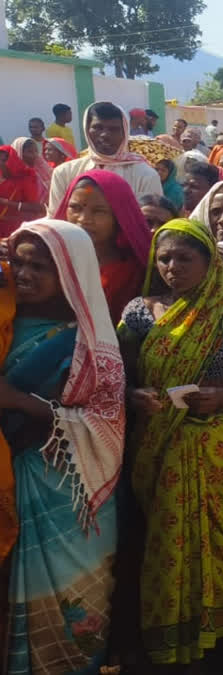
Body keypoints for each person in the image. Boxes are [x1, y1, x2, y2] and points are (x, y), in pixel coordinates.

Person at [118, 218, 223, 666]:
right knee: (164, 545)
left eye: (185, 258)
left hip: (216, 445)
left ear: (208, 262)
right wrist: (132, 396)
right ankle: (169, 647)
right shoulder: (138, 312)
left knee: (220, 544)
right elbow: (118, 380)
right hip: (157, 445)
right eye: (164, 258)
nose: (173, 267)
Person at [2, 218, 126, 675]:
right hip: (10, 482)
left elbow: (107, 421)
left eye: (40, 266)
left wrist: (22, 403)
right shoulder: (5, 322)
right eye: (19, 262)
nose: (26, 274)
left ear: (71, 272)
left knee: (75, 608)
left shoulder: (89, 337)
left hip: (71, 491)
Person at [54, 169, 152, 323]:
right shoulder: (52, 256)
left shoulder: (134, 272)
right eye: (75, 208)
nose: (83, 219)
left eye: (98, 211)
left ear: (119, 216)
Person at [48, 102, 163, 213]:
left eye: (114, 129)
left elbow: (150, 222)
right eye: (98, 127)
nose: (105, 135)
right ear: (87, 130)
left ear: (125, 133)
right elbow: (57, 221)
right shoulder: (64, 173)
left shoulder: (146, 175)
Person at [0, 144, 44, 235]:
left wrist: (6, 202)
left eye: (4, 160)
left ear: (12, 160)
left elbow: (36, 207)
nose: (1, 163)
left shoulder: (25, 178)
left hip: (16, 229)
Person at [13, 136, 52, 204]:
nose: (34, 154)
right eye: (29, 152)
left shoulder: (42, 167)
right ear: (19, 153)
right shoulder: (15, 173)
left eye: (36, 151)